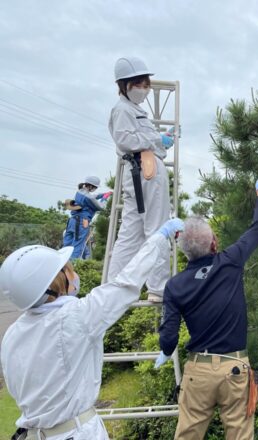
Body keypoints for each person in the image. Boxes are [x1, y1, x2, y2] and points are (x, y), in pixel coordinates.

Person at [0, 218, 184, 440]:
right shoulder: (75, 318)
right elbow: (126, 283)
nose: (73, 273)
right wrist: (159, 237)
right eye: (68, 270)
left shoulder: (12, 334)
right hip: (75, 432)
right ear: (57, 281)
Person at [156, 172, 258, 440]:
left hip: (198, 372)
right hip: (234, 367)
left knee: (187, 435)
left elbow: (169, 337)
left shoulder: (175, 286)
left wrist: (164, 351)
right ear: (214, 244)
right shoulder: (230, 261)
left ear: (184, 251)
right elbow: (257, 228)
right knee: (240, 434)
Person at [107, 56, 175, 302]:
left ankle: (116, 286)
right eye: (139, 83)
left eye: (146, 83)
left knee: (131, 231)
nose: (144, 87)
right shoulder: (123, 109)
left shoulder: (132, 110)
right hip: (145, 169)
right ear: (124, 84)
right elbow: (126, 140)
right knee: (156, 228)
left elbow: (138, 139)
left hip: (139, 171)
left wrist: (159, 139)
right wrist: (158, 140)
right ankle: (157, 287)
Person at [62, 176, 112, 260]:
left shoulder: (79, 192)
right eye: (95, 187)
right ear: (91, 186)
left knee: (66, 246)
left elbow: (92, 196)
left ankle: (62, 268)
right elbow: (101, 207)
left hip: (71, 221)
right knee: (77, 247)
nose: (95, 189)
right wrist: (105, 198)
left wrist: (104, 194)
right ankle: (72, 268)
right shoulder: (90, 197)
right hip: (81, 222)